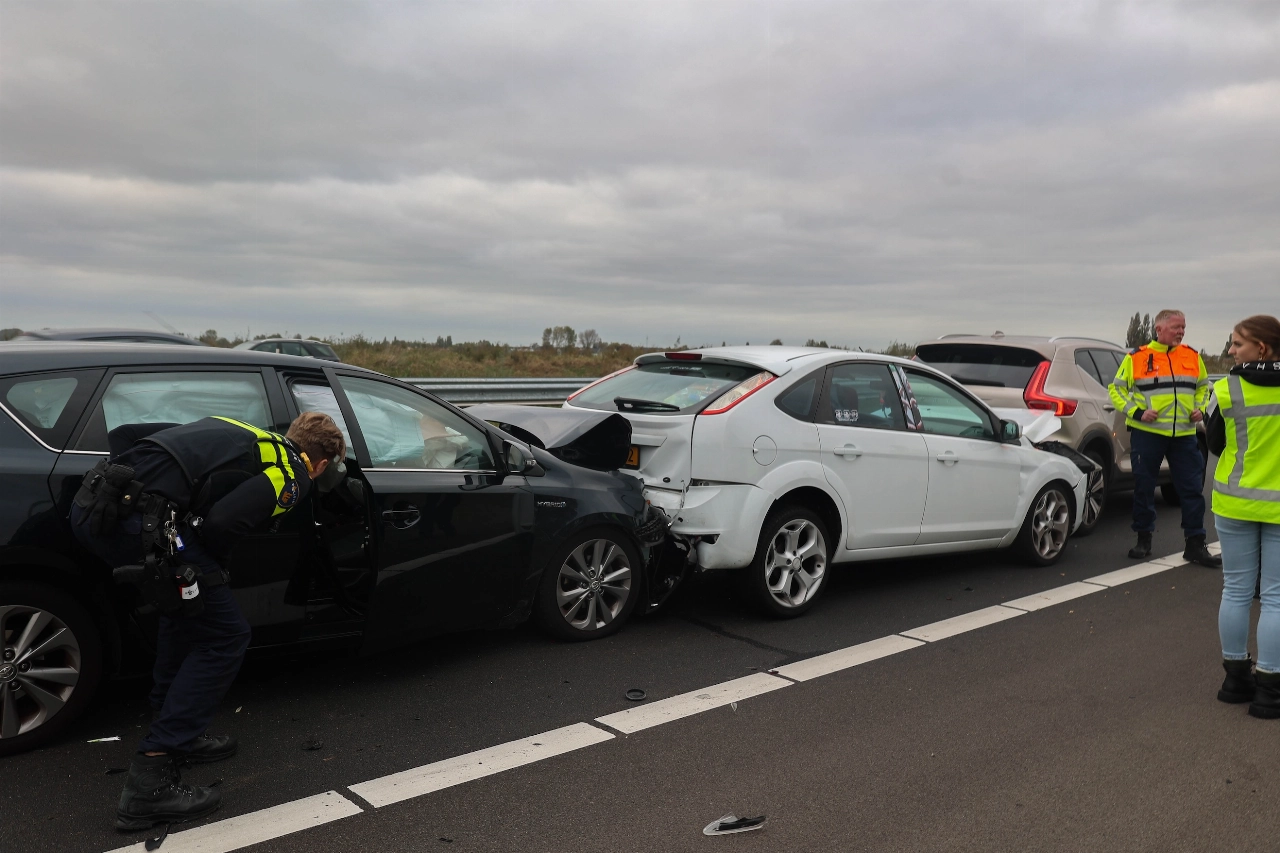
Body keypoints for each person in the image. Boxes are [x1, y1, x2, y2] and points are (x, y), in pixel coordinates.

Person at [70, 412, 346, 831]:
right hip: (139, 527)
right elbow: (223, 523)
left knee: (184, 610)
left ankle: (176, 727)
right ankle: (152, 779)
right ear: (322, 463)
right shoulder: (293, 474)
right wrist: (210, 569)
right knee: (226, 635)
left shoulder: (240, 429)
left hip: (95, 503)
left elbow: (126, 433)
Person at [1207, 315, 1280, 719]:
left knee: (1235, 591)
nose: (1231, 351)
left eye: (1237, 344)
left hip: (1234, 503)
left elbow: (1215, 444)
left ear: (1262, 349)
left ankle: (1235, 680)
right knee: (1276, 598)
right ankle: (1270, 692)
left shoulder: (1225, 388)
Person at [1109, 309, 1222, 567]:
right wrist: (1137, 412)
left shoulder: (1192, 356)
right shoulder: (1137, 357)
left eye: (1183, 327)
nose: (1181, 332)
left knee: (1192, 490)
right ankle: (1143, 539)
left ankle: (1195, 544)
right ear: (1159, 329)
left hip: (1183, 434)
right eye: (1176, 328)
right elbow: (1116, 390)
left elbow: (1205, 387)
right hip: (1148, 435)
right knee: (1144, 487)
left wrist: (1199, 407)